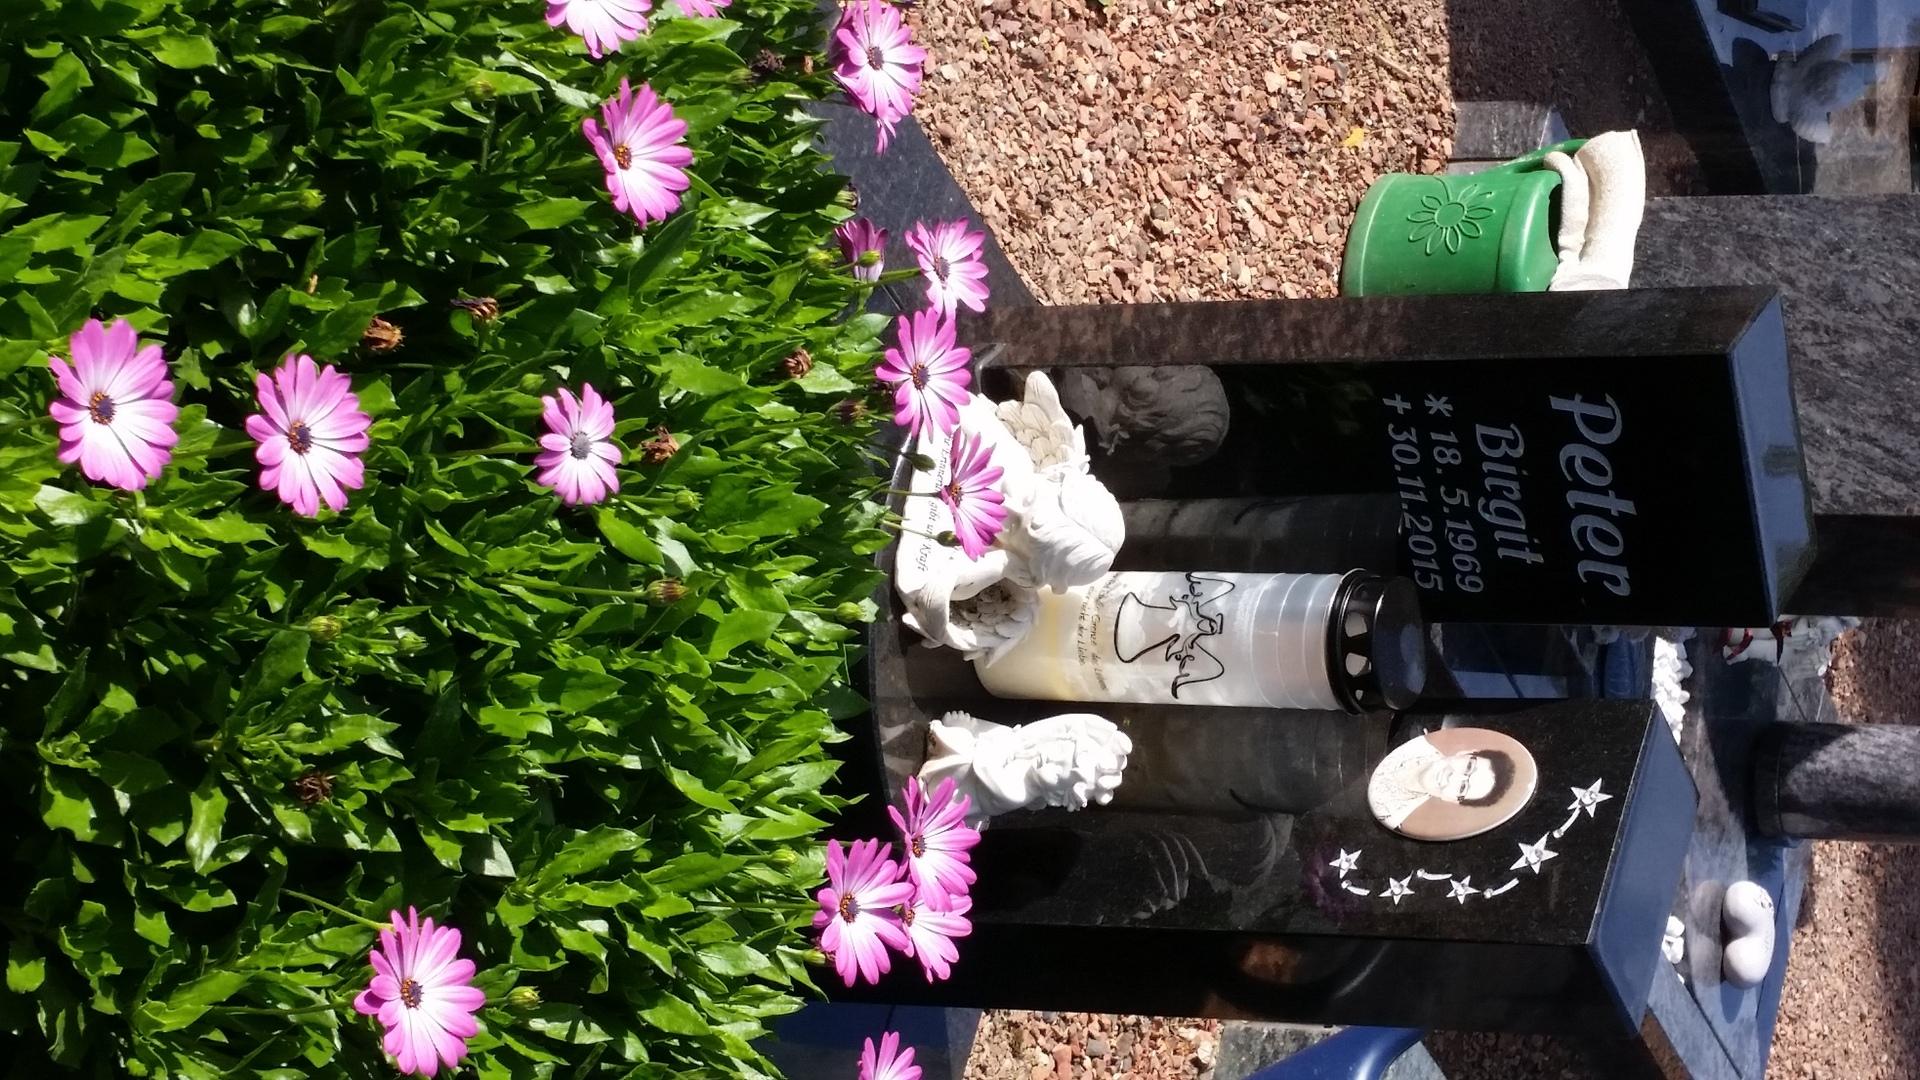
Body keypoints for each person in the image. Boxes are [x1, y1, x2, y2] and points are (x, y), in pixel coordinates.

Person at [1366, 727, 1535, 841]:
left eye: (1462, 787)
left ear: (1452, 800)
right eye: (1468, 767)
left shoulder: (1394, 816)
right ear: (1465, 752)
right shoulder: (1414, 737)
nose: (1453, 777)